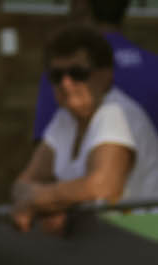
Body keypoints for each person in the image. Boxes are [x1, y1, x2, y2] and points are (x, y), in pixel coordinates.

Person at [13, 25, 158, 235]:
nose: (66, 83)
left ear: (105, 75)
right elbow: (23, 183)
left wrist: (42, 200)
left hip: (144, 238)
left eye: (78, 73)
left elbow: (102, 187)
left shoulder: (116, 113)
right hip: (101, 240)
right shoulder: (65, 119)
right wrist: (53, 203)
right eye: (56, 75)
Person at [33, 0, 158, 138]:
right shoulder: (154, 67)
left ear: (81, 4)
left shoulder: (63, 73)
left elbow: (46, 143)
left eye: (72, 0)